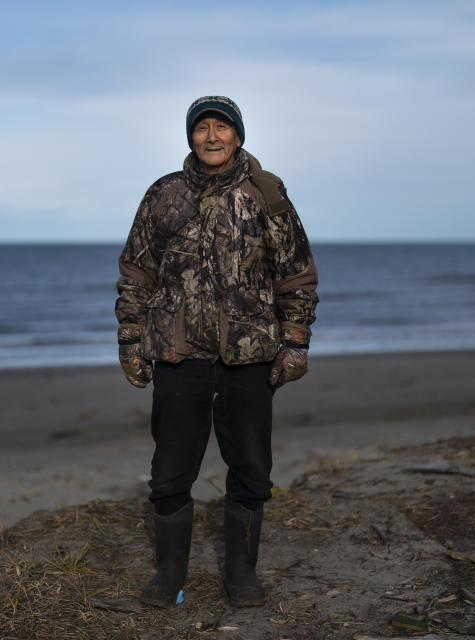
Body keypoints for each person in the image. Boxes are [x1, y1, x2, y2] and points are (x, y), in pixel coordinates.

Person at [115, 96, 318, 608]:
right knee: (170, 472)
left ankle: (242, 574)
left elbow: (296, 275)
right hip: (178, 352)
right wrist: (129, 339)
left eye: (221, 128)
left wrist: (294, 343)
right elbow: (136, 272)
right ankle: (169, 576)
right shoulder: (164, 194)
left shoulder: (266, 194)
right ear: (190, 136)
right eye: (201, 127)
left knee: (251, 468)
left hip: (248, 355)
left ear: (238, 136)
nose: (211, 136)